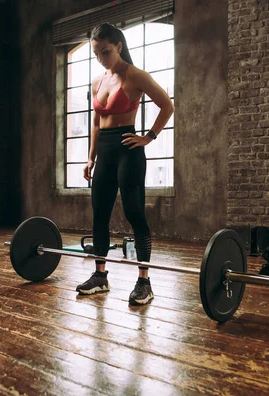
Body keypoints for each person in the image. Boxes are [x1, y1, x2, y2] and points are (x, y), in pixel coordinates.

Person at [75, 22, 174, 305]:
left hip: (127, 149)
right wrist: (90, 157)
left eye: (105, 52)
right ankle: (100, 277)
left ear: (118, 46)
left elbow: (167, 105)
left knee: (134, 214)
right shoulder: (97, 81)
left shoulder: (136, 76)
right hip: (104, 151)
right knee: (99, 214)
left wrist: (149, 137)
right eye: (96, 54)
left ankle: (145, 281)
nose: (100, 58)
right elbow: (96, 121)